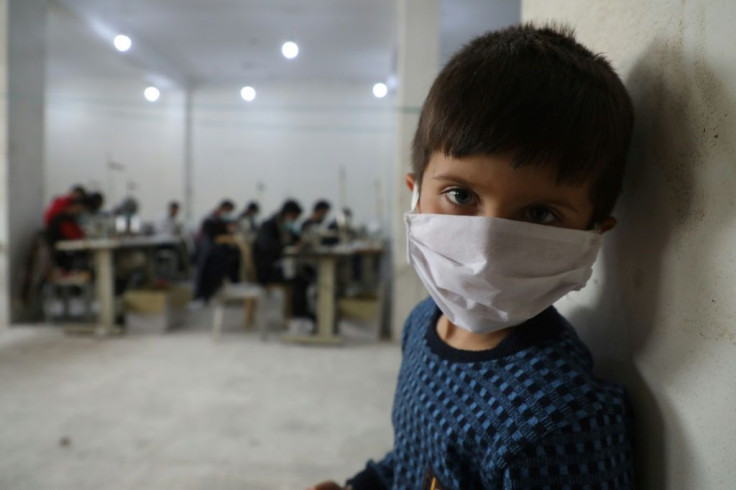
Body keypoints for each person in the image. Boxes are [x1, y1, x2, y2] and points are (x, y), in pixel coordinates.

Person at [309, 24, 635, 490]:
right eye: (460, 194)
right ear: (415, 194)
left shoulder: (560, 418)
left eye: (540, 214)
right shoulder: (422, 324)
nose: (487, 246)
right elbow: (414, 463)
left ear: (593, 233)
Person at [252, 199, 310, 316]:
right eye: (295, 217)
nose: (295, 220)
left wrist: (300, 243)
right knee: (301, 277)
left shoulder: (284, 228)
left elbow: (296, 240)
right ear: (289, 214)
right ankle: (298, 316)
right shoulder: (269, 225)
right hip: (267, 270)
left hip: (279, 266)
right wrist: (288, 246)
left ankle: (302, 313)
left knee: (308, 272)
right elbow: (266, 246)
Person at [192, 199, 239, 304]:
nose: (228, 214)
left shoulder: (222, 221)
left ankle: (209, 294)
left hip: (216, 251)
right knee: (202, 271)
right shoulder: (210, 218)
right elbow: (210, 234)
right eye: (228, 211)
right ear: (223, 208)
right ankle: (199, 296)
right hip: (205, 248)